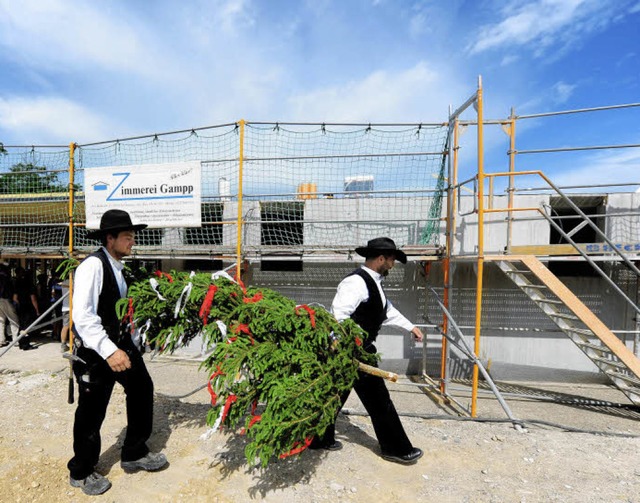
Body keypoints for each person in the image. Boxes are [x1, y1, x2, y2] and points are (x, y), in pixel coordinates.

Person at [68, 209, 168, 496]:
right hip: (96, 352)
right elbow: (84, 318)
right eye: (127, 237)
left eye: (133, 237)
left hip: (120, 346)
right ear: (109, 238)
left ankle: (134, 452)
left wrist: (135, 343)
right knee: (91, 412)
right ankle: (81, 470)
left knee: (141, 387)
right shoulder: (93, 267)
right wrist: (111, 352)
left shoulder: (118, 269)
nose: (132, 242)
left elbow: (120, 315)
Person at [310, 237, 424, 465]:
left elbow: (386, 310)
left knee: (334, 394)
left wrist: (410, 326)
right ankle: (396, 448)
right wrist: (342, 348)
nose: (393, 264)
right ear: (381, 258)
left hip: (358, 349)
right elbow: (338, 317)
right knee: (379, 401)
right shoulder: (356, 283)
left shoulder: (375, 282)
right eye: (391, 260)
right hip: (353, 351)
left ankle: (318, 438)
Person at [13, 266, 39, 350]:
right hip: (28, 307)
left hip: (21, 307)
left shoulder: (17, 283)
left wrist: (20, 304)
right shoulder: (30, 285)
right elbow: (33, 299)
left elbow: (15, 298)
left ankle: (21, 343)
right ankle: (25, 344)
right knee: (27, 327)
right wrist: (37, 310)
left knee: (21, 325)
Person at [0, 264, 20, 348]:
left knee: (1, 320)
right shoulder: (6, 278)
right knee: (14, 319)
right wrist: (16, 301)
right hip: (5, 299)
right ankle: (15, 340)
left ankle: (1, 340)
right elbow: (13, 291)